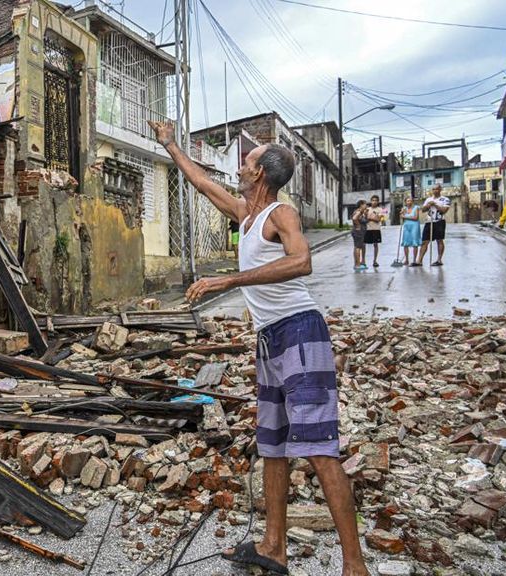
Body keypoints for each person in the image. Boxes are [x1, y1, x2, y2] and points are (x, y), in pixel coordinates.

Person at [148, 119, 369, 576]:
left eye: (246, 163)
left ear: (260, 175)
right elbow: (201, 181)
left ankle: (355, 566)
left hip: (302, 335)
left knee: (321, 448)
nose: (239, 169)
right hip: (270, 341)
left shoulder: (279, 214)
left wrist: (229, 279)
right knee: (272, 447)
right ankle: (273, 547)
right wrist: (170, 143)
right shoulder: (246, 215)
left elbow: (302, 260)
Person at [417, 185, 450, 266]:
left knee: (439, 240)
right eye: (433, 189)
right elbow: (423, 210)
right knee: (424, 241)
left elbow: (444, 210)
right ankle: (419, 261)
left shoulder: (445, 199)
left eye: (436, 189)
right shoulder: (429, 199)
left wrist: (435, 204)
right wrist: (428, 205)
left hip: (439, 221)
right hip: (429, 221)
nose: (434, 190)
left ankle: (439, 260)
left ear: (440, 190)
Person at [400, 196, 422, 266]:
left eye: (410, 201)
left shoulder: (416, 208)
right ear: (405, 202)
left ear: (412, 201)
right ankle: (406, 260)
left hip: (415, 226)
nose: (409, 202)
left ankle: (414, 260)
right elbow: (401, 219)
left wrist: (405, 216)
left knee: (414, 243)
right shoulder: (404, 209)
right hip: (406, 226)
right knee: (405, 243)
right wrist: (401, 213)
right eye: (407, 201)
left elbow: (416, 217)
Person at [363, 195, 383, 267]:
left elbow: (378, 220)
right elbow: (365, 219)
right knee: (364, 244)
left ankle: (375, 261)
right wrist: (367, 216)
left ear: (378, 202)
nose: (374, 202)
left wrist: (370, 218)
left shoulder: (380, 210)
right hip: (367, 229)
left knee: (375, 244)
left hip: (376, 229)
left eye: (376, 200)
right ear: (371, 201)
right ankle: (363, 261)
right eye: (373, 200)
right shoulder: (367, 209)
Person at [351, 200, 368, 271]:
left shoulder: (361, 212)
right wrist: (358, 225)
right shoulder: (359, 211)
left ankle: (357, 263)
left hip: (360, 232)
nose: (366, 206)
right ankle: (357, 265)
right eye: (365, 204)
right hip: (358, 232)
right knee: (358, 247)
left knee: (357, 247)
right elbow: (354, 218)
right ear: (361, 205)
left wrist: (365, 214)